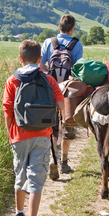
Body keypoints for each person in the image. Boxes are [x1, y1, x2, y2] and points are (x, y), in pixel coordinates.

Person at [3, 40, 65, 216]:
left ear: (20, 59)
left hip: (19, 135)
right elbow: (60, 105)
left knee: (20, 174)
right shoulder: (49, 80)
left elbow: (8, 111)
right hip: (42, 134)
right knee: (36, 178)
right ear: (40, 59)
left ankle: (19, 213)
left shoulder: (12, 80)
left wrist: (10, 134)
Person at [40, 14, 83, 179]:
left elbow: (42, 65)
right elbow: (77, 71)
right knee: (67, 124)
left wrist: (50, 81)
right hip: (68, 92)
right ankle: (64, 162)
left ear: (59, 27)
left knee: (53, 127)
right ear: (72, 29)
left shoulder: (48, 42)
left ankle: (52, 158)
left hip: (50, 89)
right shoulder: (76, 45)